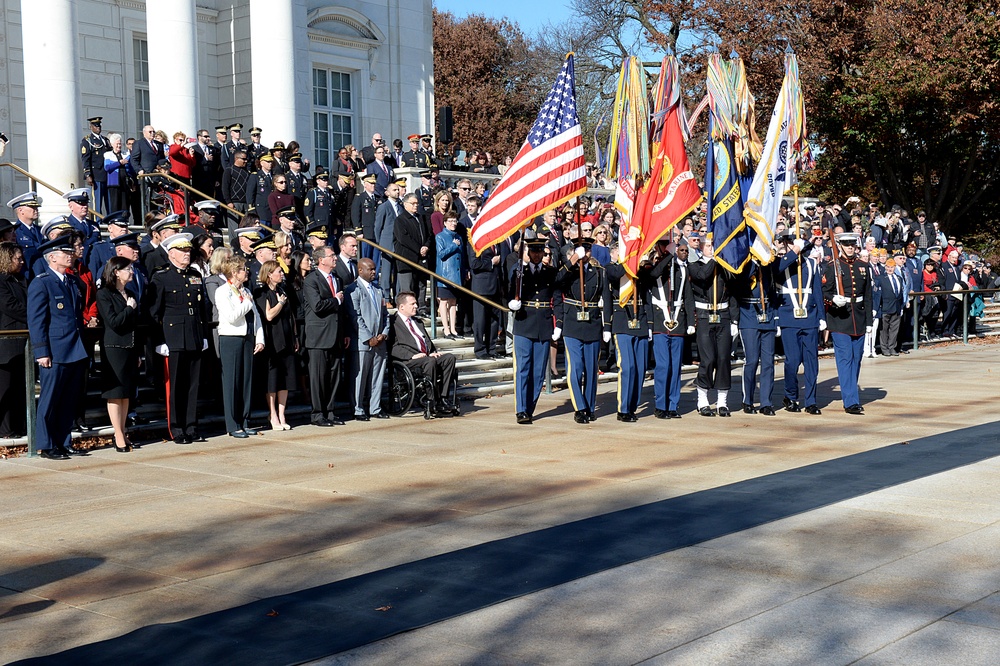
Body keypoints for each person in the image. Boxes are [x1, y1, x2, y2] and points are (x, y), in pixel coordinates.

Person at [27, 236, 89, 459]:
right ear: (52, 257)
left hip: (75, 349)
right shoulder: (41, 282)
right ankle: (46, 444)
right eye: (65, 252)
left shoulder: (71, 282)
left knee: (68, 400)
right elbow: (36, 320)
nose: (70, 255)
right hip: (55, 351)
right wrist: (41, 351)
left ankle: (63, 441)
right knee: (50, 399)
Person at [147, 233, 211, 443]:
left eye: (188, 251)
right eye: (182, 251)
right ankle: (176, 428)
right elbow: (154, 313)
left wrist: (203, 335)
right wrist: (159, 341)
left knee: (193, 385)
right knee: (175, 386)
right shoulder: (161, 276)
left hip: (193, 335)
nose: (187, 254)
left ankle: (191, 426)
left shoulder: (195, 274)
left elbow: (201, 309)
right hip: (172, 338)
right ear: (171, 253)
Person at [774, 229, 826, 415]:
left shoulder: (812, 264)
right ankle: (791, 396)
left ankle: (811, 400)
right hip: (789, 317)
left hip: (810, 318)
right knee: (792, 361)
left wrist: (821, 317)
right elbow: (776, 270)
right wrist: (791, 252)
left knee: (811, 363)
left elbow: (817, 292)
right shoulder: (781, 263)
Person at [507, 232, 556, 424]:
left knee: (538, 371)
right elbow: (509, 291)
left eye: (539, 251)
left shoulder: (550, 272)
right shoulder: (519, 270)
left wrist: (557, 324)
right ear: (527, 251)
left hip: (543, 325)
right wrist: (512, 302)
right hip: (524, 322)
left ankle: (530, 406)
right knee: (523, 368)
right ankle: (521, 410)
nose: (536, 254)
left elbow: (558, 294)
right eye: (533, 250)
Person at [555, 238, 606, 423]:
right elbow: (558, 279)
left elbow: (605, 296)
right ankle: (580, 407)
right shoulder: (569, 269)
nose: (586, 252)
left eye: (588, 249)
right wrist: (575, 259)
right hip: (573, 324)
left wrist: (606, 325)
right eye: (582, 249)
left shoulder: (599, 272)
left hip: (591, 323)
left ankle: (590, 406)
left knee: (591, 369)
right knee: (575, 368)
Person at [823, 233, 873, 414]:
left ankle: (850, 393)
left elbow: (868, 295)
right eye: (846, 244)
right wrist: (833, 299)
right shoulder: (832, 267)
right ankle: (851, 401)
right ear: (840, 246)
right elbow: (823, 292)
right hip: (840, 320)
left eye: (852, 244)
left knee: (856, 360)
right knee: (845, 360)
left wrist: (869, 321)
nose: (850, 247)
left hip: (858, 318)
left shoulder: (863, 266)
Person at [215, 257, 264, 438]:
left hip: (247, 337)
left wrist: (260, 338)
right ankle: (232, 424)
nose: (247, 272)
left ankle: (245, 420)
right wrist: (247, 303)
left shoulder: (245, 290)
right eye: (243, 269)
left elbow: (256, 317)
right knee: (232, 382)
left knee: (246, 381)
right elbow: (231, 317)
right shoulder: (223, 291)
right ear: (234, 272)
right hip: (231, 338)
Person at [96, 256, 141, 452]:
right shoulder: (105, 294)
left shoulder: (129, 293)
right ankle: (118, 433)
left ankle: (123, 430)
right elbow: (113, 322)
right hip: (114, 348)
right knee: (115, 393)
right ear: (116, 272)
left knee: (126, 393)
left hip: (130, 347)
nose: (131, 272)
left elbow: (134, 325)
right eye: (127, 269)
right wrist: (130, 308)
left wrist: (137, 351)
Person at [687, 237, 736, 416]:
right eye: (708, 245)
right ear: (701, 248)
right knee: (707, 359)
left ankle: (722, 402)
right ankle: (703, 400)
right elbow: (703, 276)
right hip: (704, 316)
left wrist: (734, 319)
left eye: (714, 245)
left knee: (723, 359)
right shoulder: (695, 265)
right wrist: (714, 260)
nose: (712, 248)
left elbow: (733, 290)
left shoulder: (723, 266)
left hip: (722, 316)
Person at [390, 291, 457, 418]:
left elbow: (427, 342)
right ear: (402, 307)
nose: (416, 306)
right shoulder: (393, 322)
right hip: (408, 361)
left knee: (449, 358)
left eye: (416, 303)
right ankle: (430, 400)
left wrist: (433, 352)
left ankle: (443, 398)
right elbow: (393, 347)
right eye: (413, 304)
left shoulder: (418, 322)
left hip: (425, 358)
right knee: (428, 361)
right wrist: (411, 355)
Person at [647, 239, 694, 419]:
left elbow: (688, 298)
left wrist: (690, 322)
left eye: (684, 250)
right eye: (679, 250)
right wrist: (669, 255)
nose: (683, 253)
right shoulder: (659, 266)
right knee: (663, 366)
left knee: (675, 367)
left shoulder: (683, 270)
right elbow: (654, 274)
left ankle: (673, 405)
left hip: (678, 323)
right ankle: (660, 404)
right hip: (660, 322)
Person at [604, 247, 652, 422]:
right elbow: (616, 275)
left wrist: (650, 324)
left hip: (640, 319)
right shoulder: (610, 268)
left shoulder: (639, 269)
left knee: (640, 368)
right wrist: (607, 326)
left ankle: (632, 406)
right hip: (621, 320)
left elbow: (647, 295)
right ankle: (623, 409)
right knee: (627, 367)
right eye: (620, 252)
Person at [303, 245, 346, 427]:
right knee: (318, 377)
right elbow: (317, 306)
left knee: (333, 376)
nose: (335, 258)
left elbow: (341, 311)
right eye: (332, 255)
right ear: (322, 260)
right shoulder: (311, 280)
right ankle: (317, 413)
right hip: (318, 336)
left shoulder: (337, 279)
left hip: (335, 334)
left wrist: (343, 333)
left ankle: (330, 411)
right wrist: (335, 300)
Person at [734, 258, 780, 416]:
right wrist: (753, 262)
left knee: (768, 362)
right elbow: (740, 284)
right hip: (749, 316)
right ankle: (748, 400)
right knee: (752, 360)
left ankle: (766, 402)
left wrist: (776, 317)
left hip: (767, 314)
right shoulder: (744, 265)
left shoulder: (768, 264)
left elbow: (773, 287)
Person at [255, 260, 297, 430]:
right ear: (269, 274)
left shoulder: (283, 290)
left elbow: (291, 316)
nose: (282, 274)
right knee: (272, 380)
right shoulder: (262, 292)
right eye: (279, 271)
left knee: (286, 379)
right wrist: (280, 303)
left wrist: (295, 337)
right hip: (272, 340)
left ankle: (282, 413)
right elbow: (269, 315)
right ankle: (272, 414)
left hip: (286, 338)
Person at [346, 258, 390, 421]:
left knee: (377, 376)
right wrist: (368, 337)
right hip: (362, 342)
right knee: (359, 377)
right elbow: (355, 316)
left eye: (374, 269)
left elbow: (385, 315)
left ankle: (375, 407)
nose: (374, 272)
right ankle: (357, 409)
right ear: (360, 270)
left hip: (379, 340)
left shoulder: (378, 290)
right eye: (370, 269)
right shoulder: (353, 290)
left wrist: (384, 333)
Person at [0, 242, 27, 438]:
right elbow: (10, 306)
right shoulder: (1, 281)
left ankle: (20, 425)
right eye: (18, 258)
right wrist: (33, 315)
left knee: (20, 386)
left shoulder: (20, 279)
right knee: (6, 386)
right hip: (7, 340)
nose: (22, 262)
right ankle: (6, 429)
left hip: (24, 338)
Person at [435, 211, 465, 339]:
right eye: (451, 221)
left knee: (453, 302)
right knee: (444, 301)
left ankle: (453, 329)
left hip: (457, 275)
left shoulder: (459, 237)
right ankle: (446, 329)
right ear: (445, 223)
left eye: (455, 221)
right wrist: (453, 245)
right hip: (445, 275)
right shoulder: (440, 236)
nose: (453, 223)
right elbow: (441, 254)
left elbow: (462, 257)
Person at [81, 116, 112, 214]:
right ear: (91, 127)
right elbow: (85, 159)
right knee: (97, 202)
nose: (98, 127)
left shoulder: (105, 140)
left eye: (99, 125)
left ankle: (109, 221)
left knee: (109, 201)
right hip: (96, 175)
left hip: (107, 174)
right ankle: (98, 222)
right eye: (95, 126)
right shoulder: (87, 141)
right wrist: (88, 174)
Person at [879, 257, 906, 356]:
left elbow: (901, 293)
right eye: (888, 267)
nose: (890, 269)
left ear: (895, 267)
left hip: (897, 307)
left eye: (892, 267)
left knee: (894, 329)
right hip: (885, 307)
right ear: (885, 267)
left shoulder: (898, 278)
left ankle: (892, 347)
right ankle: (884, 348)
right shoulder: (881, 278)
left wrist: (901, 306)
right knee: (884, 330)